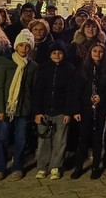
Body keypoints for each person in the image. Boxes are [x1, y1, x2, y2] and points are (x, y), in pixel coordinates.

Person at [0, 29, 39, 181]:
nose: (24, 49)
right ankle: (0, 167)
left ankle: (18, 166)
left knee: (21, 138)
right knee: (2, 137)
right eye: (21, 45)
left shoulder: (33, 66)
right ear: (16, 46)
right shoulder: (6, 64)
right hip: (6, 107)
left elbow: (33, 88)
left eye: (27, 46)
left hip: (23, 109)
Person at [32, 40, 75, 181]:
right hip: (45, 110)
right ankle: (42, 166)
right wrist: (37, 111)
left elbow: (70, 93)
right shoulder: (43, 69)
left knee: (60, 140)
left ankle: (56, 166)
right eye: (54, 52)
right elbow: (37, 91)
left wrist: (68, 112)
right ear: (50, 54)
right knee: (43, 140)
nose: (57, 55)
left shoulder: (70, 69)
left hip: (61, 110)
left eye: (60, 52)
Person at [70, 43, 106, 179]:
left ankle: (95, 166)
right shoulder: (82, 69)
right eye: (94, 51)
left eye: (100, 51)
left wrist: (102, 97)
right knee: (83, 138)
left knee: (97, 139)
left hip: (100, 110)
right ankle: (79, 166)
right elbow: (76, 90)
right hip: (85, 108)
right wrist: (76, 110)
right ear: (90, 52)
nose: (97, 53)